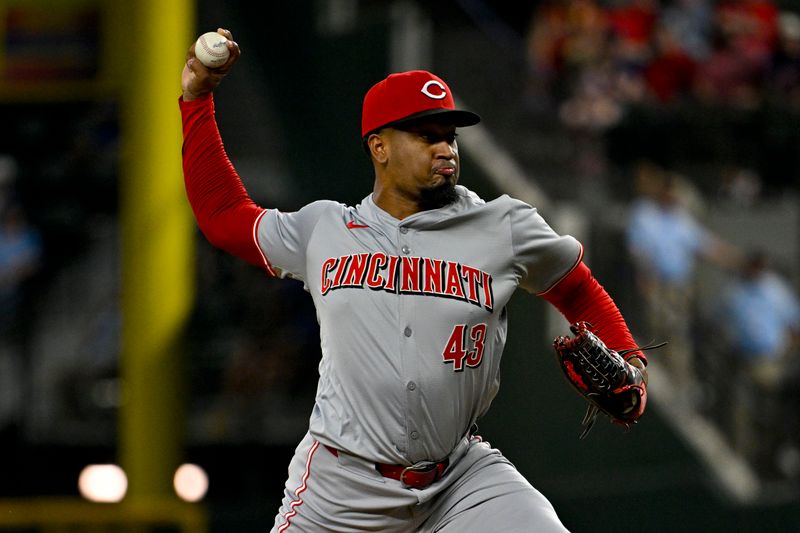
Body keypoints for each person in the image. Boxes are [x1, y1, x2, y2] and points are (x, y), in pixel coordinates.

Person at [180, 28, 650, 533]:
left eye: (449, 134)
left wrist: (633, 362)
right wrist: (197, 99)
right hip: (342, 485)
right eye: (426, 134)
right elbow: (224, 215)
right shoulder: (324, 229)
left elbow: (576, 287)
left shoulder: (504, 226)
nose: (445, 147)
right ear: (379, 146)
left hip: (459, 479)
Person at [717, 249, 800, 472]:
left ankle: (770, 460)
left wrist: (786, 354)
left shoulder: (777, 291)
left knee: (771, 414)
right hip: (742, 360)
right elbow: (721, 323)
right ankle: (743, 460)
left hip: (770, 362)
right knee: (741, 413)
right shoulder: (734, 292)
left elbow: (794, 324)